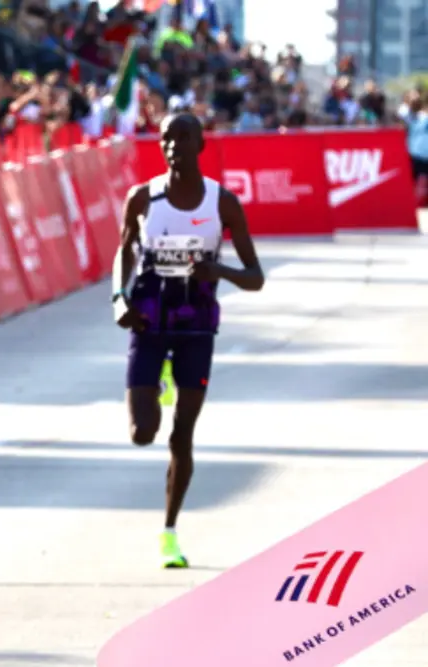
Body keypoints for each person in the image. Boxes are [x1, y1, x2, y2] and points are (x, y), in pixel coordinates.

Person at [111, 111, 264, 569]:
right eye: (166, 139)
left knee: (182, 436)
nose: (174, 145)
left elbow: (255, 277)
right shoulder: (142, 199)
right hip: (148, 322)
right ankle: (159, 378)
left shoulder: (222, 203)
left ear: (201, 145)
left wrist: (217, 270)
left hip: (196, 326)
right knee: (143, 433)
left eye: (184, 137)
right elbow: (124, 252)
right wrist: (120, 299)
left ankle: (170, 531)